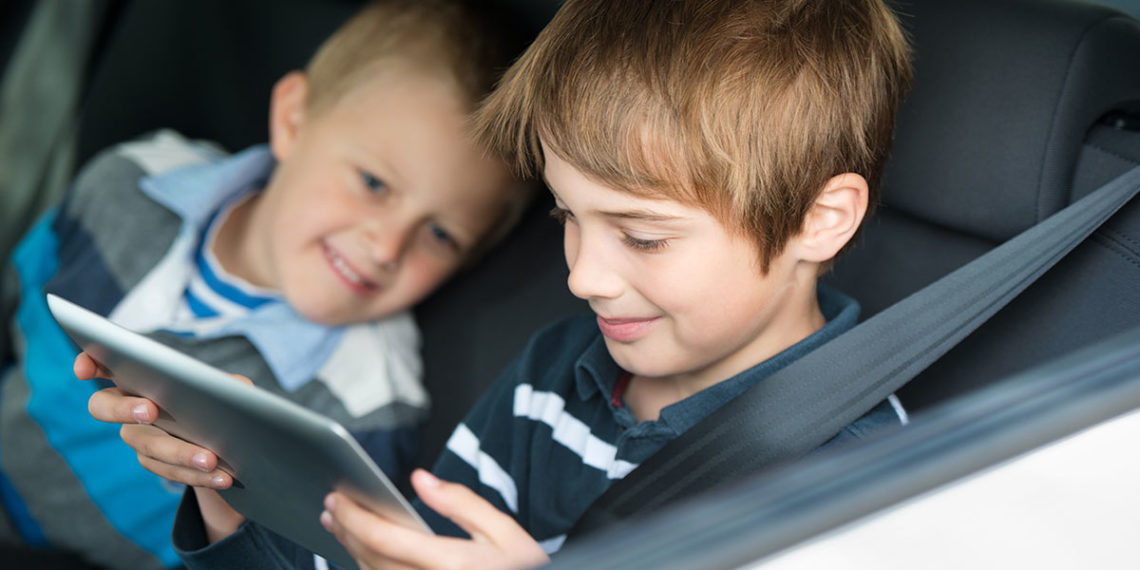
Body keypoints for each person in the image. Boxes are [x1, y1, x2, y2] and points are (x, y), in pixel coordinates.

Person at [82, 0, 914, 568]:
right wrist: (232, 491)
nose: (584, 275)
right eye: (567, 217)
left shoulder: (866, 468)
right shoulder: (558, 379)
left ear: (819, 220)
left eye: (643, 236)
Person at [0, 0, 528, 568]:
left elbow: (301, 556)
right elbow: (22, 295)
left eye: (441, 235)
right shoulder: (132, 181)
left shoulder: (364, 408)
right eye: (374, 182)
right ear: (294, 120)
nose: (386, 247)